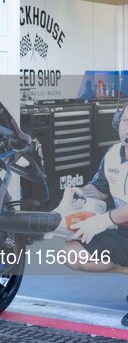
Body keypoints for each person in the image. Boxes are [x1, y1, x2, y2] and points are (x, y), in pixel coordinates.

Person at [63, 103, 128, 327]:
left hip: (116, 222)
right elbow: (100, 189)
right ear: (118, 122)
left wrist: (103, 220)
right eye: (126, 121)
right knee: (72, 252)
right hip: (124, 231)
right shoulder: (113, 155)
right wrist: (80, 192)